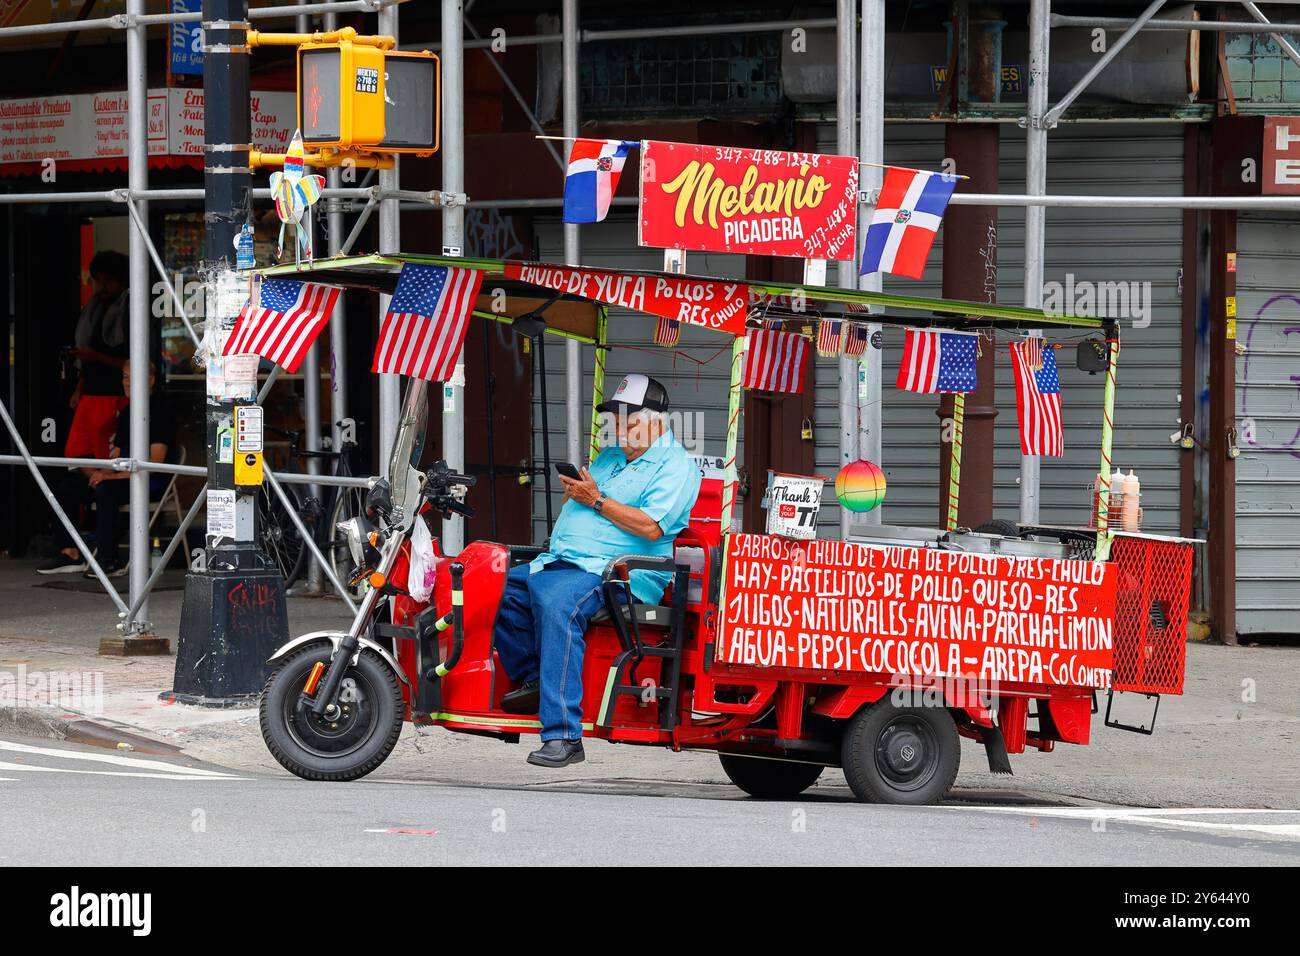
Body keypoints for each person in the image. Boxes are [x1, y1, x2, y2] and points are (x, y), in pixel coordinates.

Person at [493, 374, 701, 768]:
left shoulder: (675, 465)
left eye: (628, 418)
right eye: (615, 417)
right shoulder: (612, 456)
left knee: (558, 605)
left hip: (617, 574)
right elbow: (591, 500)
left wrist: (597, 500)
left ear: (658, 420)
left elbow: (650, 526)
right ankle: (535, 679)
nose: (618, 426)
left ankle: (564, 736)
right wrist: (580, 494)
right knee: (498, 586)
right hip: (564, 562)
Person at [37, 360, 176, 577]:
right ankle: (70, 552)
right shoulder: (128, 410)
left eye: (134, 377)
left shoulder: (159, 409)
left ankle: (109, 560)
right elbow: (117, 454)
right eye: (125, 376)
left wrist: (111, 477)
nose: (127, 383)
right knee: (66, 487)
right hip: (124, 476)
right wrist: (102, 474)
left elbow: (155, 461)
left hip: (152, 480)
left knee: (105, 490)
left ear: (150, 380)